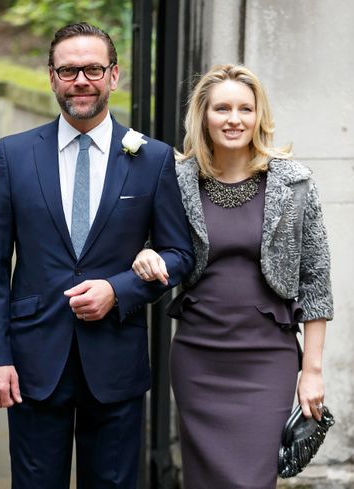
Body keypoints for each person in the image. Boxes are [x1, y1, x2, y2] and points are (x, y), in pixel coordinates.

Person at [0, 22, 194, 489]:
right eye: (69, 70)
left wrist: (120, 289)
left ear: (114, 76)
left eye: (93, 69)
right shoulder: (13, 155)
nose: (81, 80)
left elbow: (180, 253)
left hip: (115, 361)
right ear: (52, 77)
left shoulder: (151, 158)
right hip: (32, 364)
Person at [132, 64, 333, 489]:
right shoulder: (178, 179)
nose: (234, 119)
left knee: (252, 480)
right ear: (203, 115)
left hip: (267, 358)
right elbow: (152, 244)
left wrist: (311, 371)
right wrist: (145, 256)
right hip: (198, 357)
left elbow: (316, 281)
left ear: (259, 115)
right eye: (222, 108)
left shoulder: (294, 182)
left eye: (245, 108)